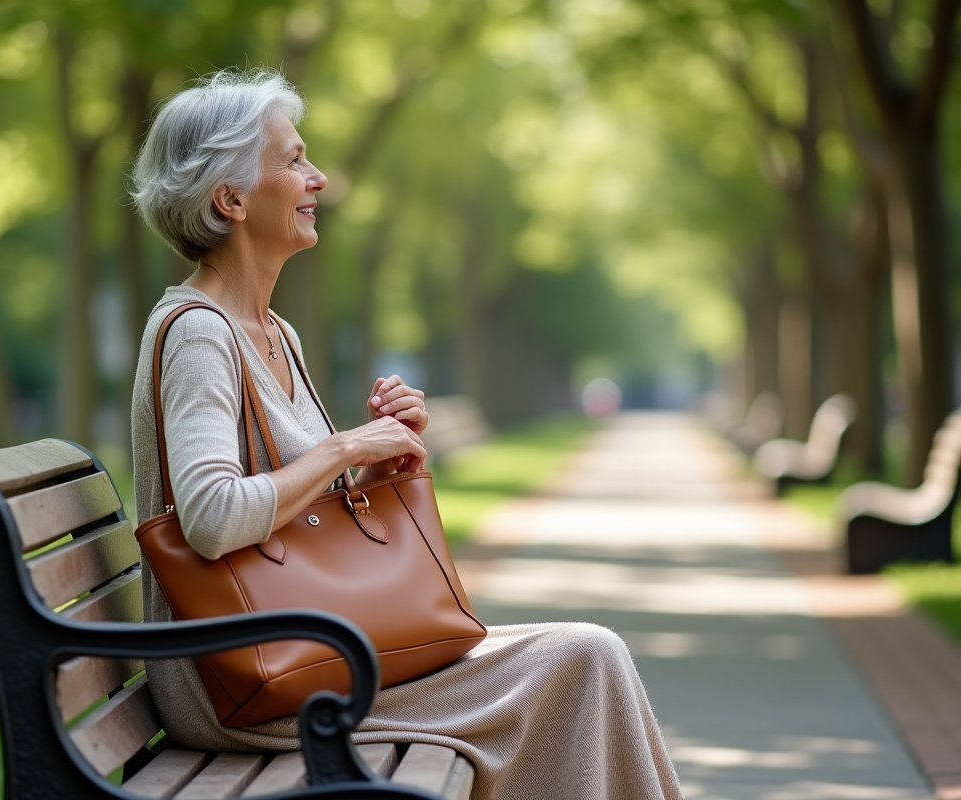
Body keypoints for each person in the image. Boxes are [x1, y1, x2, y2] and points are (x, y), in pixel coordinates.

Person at [129, 68, 681, 800]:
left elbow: (304, 514)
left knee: (589, 655)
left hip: (314, 647)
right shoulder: (199, 333)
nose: (318, 178)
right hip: (242, 681)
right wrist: (347, 446)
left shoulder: (276, 332)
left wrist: (377, 466)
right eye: (294, 160)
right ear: (230, 199)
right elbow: (212, 518)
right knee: (584, 657)